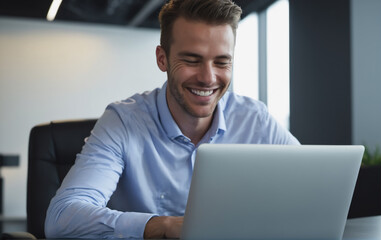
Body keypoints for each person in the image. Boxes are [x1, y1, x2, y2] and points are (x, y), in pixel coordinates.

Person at [45, 0, 300, 239]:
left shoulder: (256, 120)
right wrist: (164, 225)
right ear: (162, 58)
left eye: (222, 62)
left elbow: (313, 189)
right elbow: (61, 218)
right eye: (192, 60)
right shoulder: (122, 122)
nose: (208, 78)